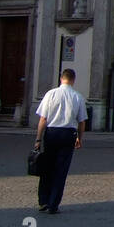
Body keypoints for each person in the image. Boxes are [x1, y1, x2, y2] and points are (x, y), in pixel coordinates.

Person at [33, 68, 88, 214]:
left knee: (47, 168)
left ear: (61, 78)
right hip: (68, 133)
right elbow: (82, 122)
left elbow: (43, 119)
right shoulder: (78, 97)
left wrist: (38, 139)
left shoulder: (51, 94)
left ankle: (43, 200)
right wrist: (79, 138)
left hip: (51, 132)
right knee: (61, 170)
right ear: (73, 80)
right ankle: (53, 204)